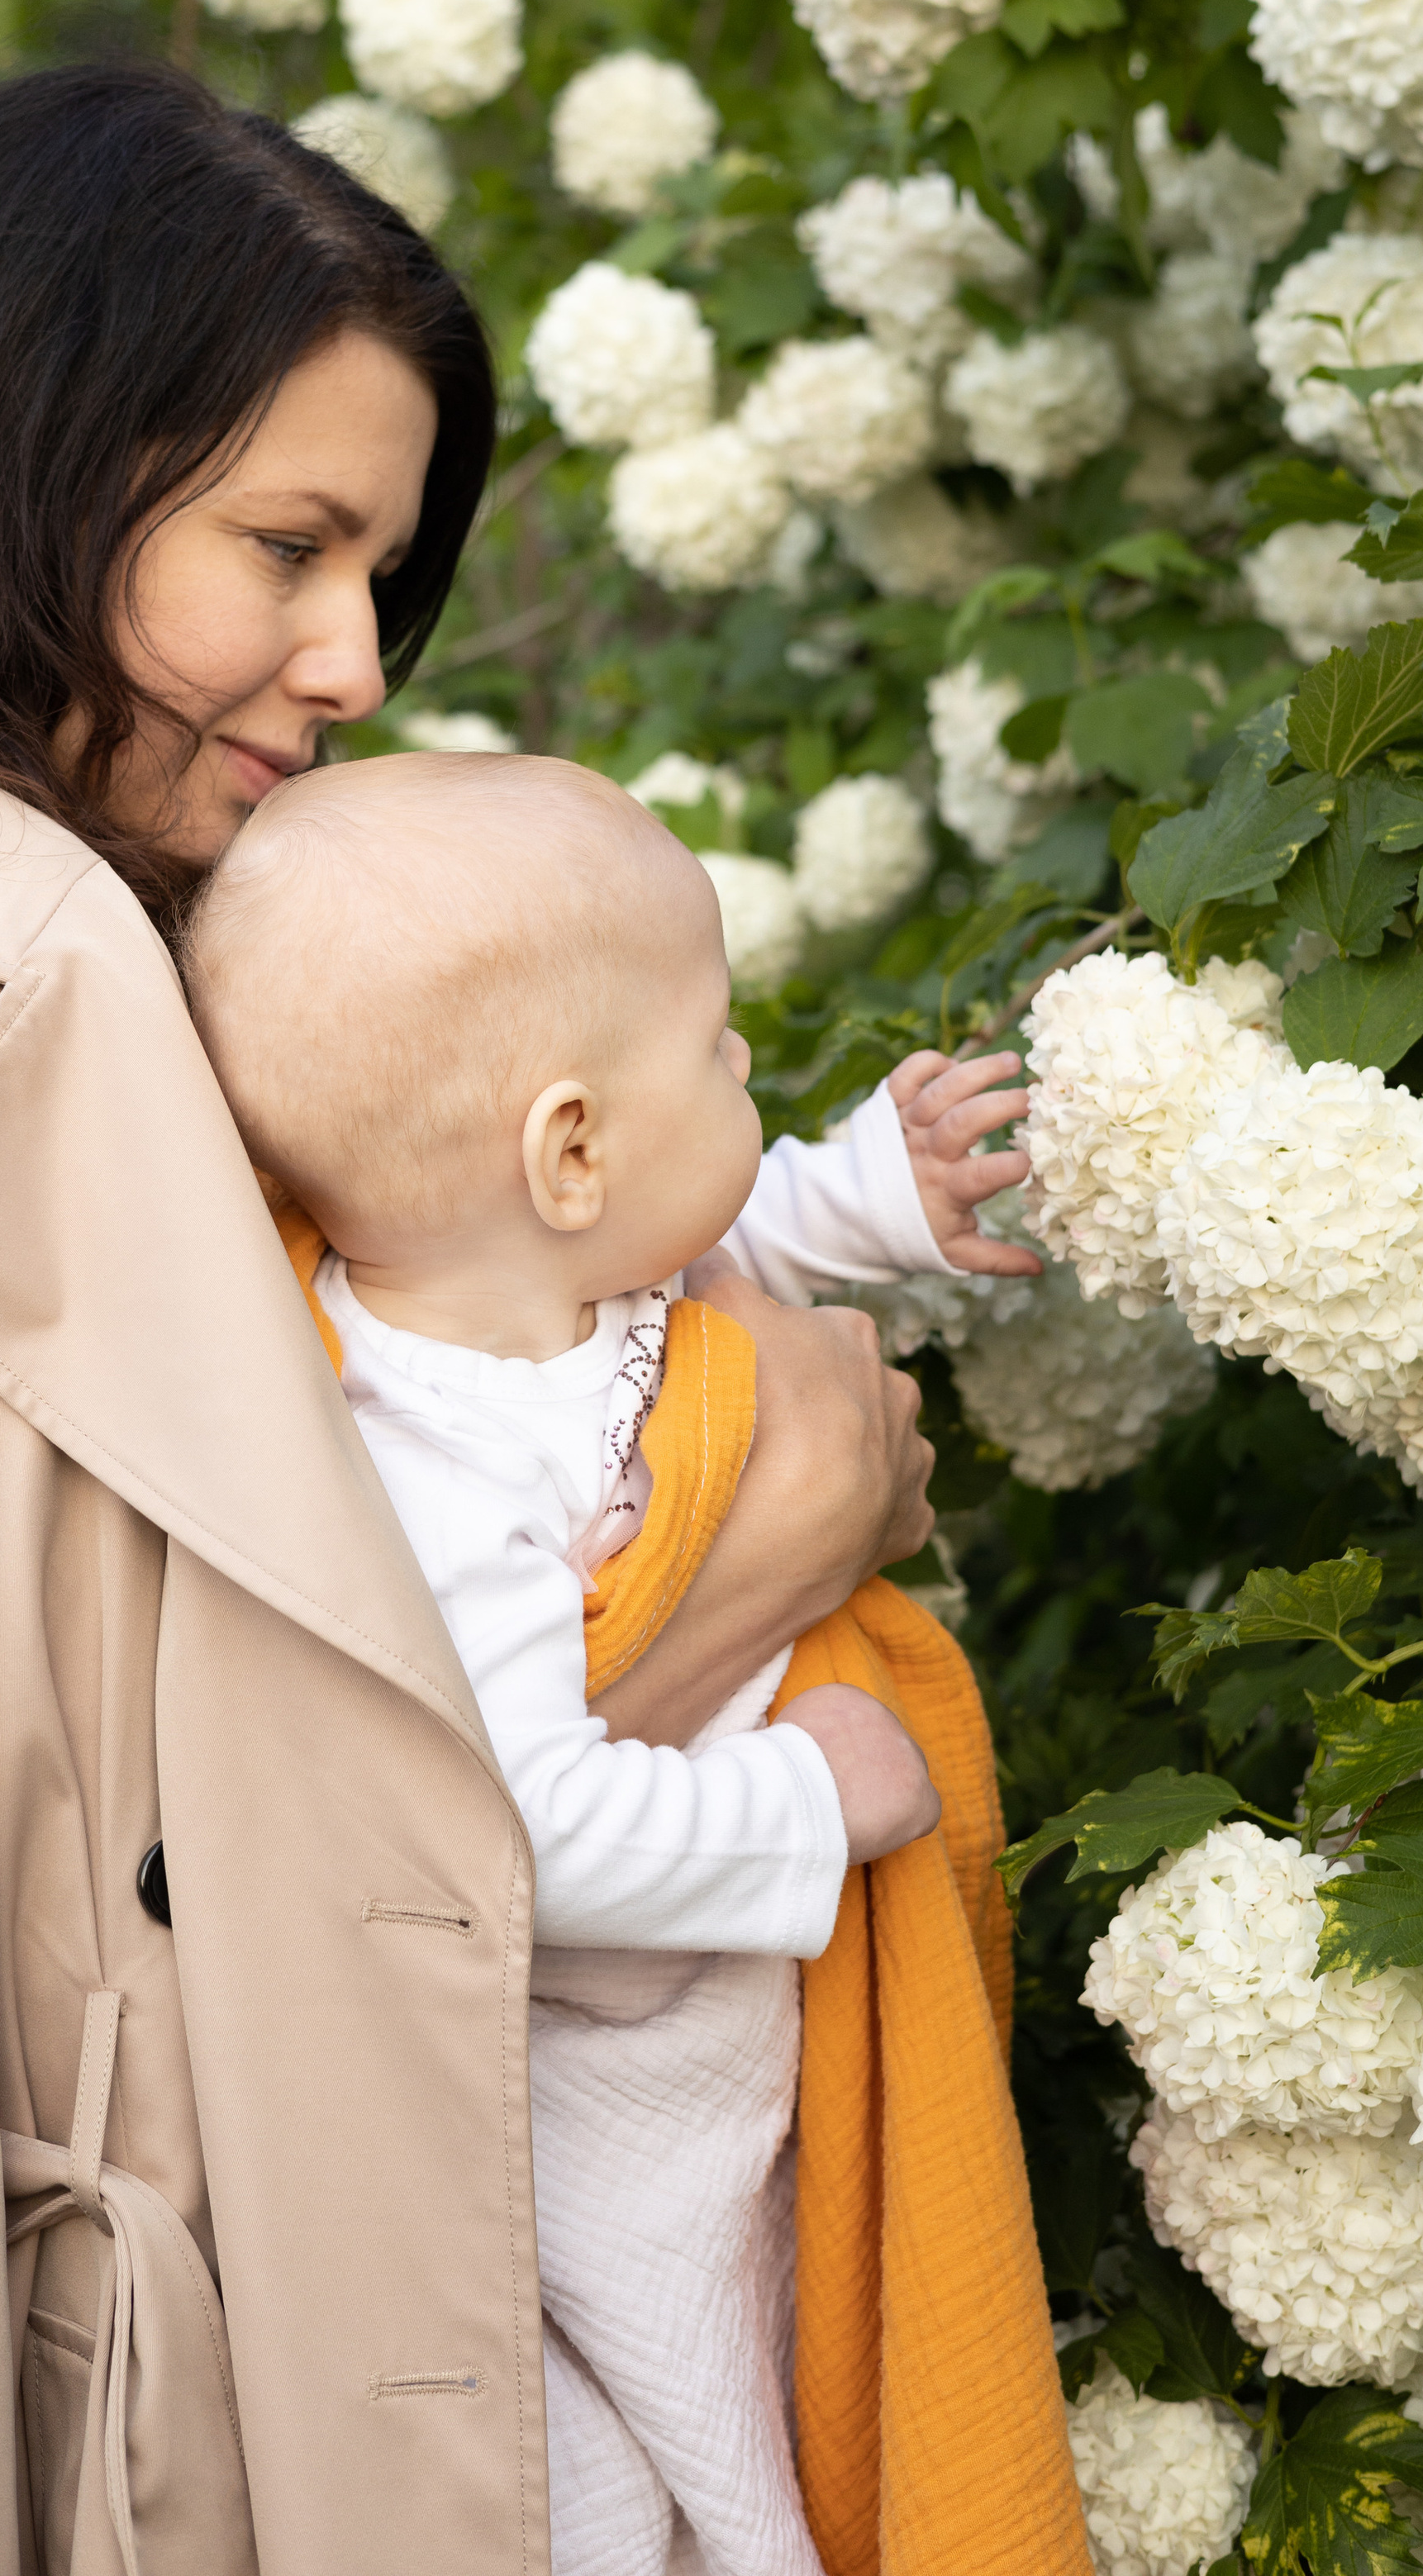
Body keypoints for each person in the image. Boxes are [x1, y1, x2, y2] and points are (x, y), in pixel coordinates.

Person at [0, 61, 946, 2576]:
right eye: (285, 545)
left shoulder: (26, 958)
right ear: (19, 459)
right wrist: (768, 1554)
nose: (346, 664)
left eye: (379, 578)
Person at [184, 749, 1088, 2576]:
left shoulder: (552, 1269)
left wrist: (888, 1196)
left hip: (716, 2002)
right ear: (570, 1146)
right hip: (598, 2088)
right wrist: (811, 1798)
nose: (749, 1075)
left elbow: (734, 1225)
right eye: (722, 1053)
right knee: (689, 2455)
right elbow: (523, 1839)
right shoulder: (437, 1469)